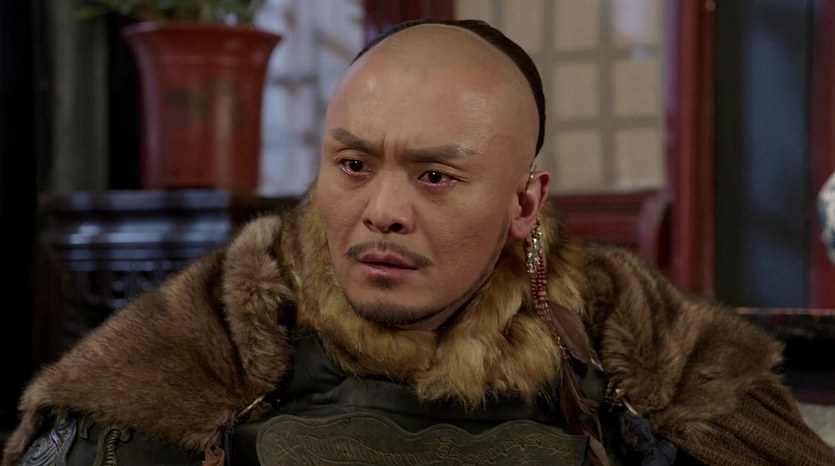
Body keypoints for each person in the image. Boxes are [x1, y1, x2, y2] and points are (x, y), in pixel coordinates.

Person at [4, 18, 835, 466]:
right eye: (353, 165)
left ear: (523, 203)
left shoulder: (640, 350)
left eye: (435, 176)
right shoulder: (201, 347)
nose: (382, 211)